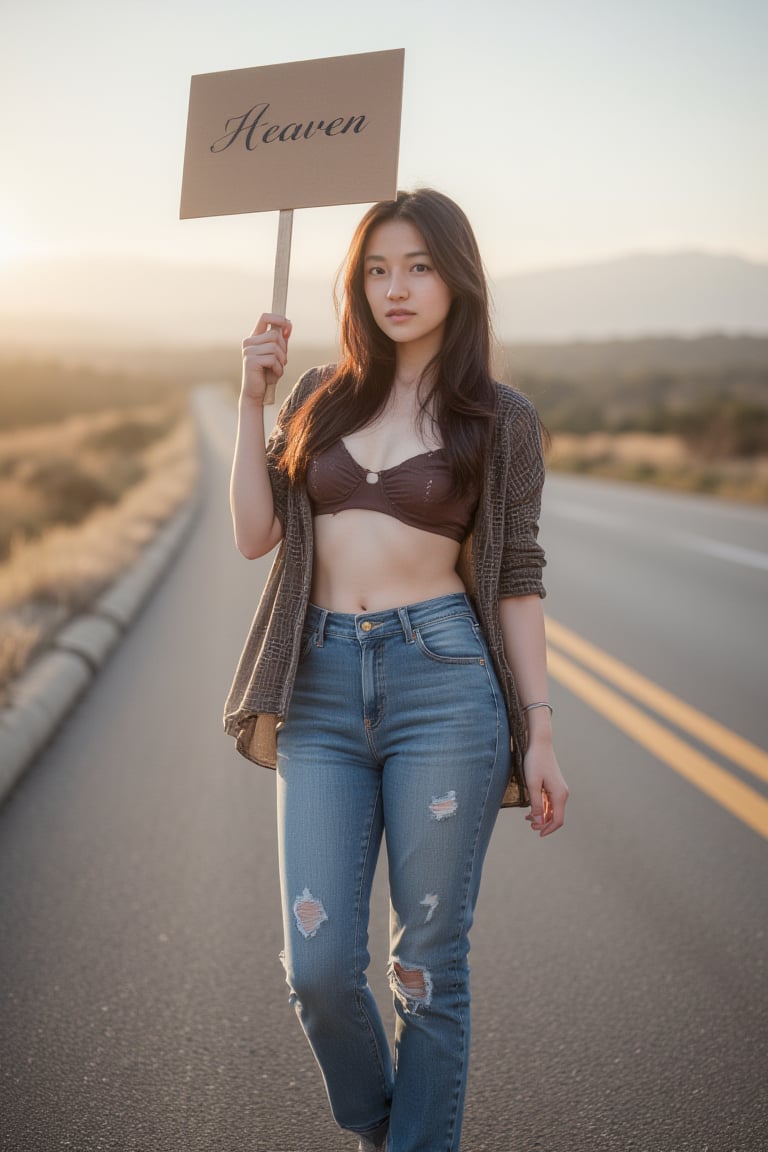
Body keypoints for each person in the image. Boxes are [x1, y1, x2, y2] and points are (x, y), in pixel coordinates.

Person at [224, 188, 568, 1152]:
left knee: (426, 967)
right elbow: (255, 536)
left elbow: (519, 578)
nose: (396, 287)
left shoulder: (500, 419)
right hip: (321, 685)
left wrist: (539, 728)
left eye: (417, 266)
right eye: (376, 269)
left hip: (445, 684)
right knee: (320, 968)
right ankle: (390, 1126)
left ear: (457, 278)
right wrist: (251, 400)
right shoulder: (319, 398)